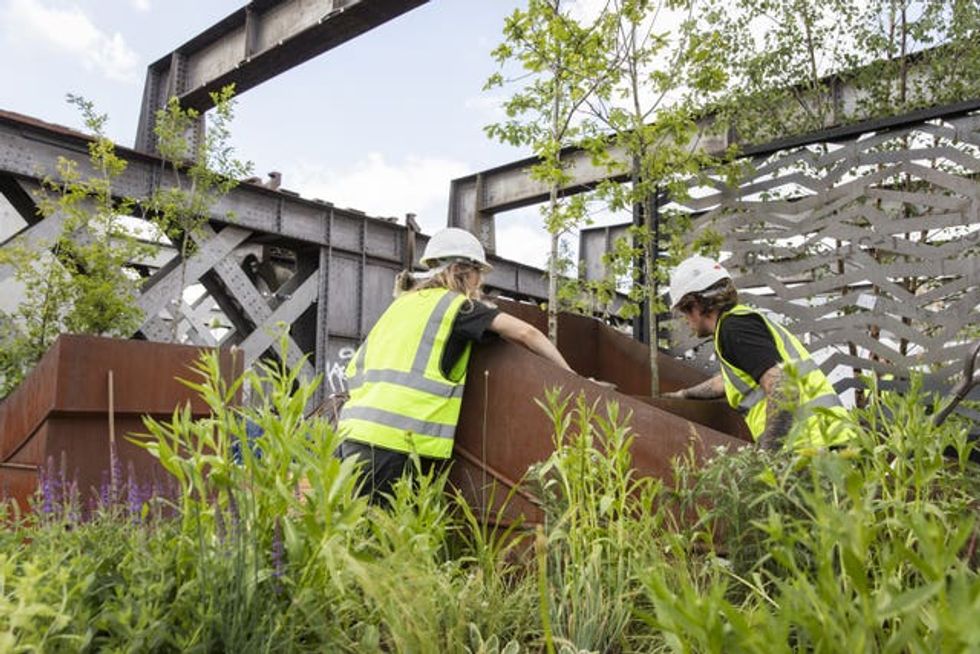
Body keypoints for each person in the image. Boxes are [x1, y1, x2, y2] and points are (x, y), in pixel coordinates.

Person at [336, 227, 574, 502]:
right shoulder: (458, 308)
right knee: (389, 538)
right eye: (478, 275)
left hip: (353, 434)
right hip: (397, 444)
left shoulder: (400, 306)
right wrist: (572, 377)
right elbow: (527, 334)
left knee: (359, 531)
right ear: (463, 270)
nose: (478, 284)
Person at [663, 255, 850, 451]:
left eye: (684, 312)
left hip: (813, 447)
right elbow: (725, 383)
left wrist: (769, 453)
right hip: (828, 441)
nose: (686, 320)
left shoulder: (734, 328)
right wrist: (684, 394)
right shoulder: (740, 324)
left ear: (696, 304)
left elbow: (783, 386)